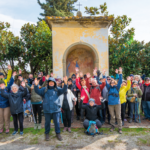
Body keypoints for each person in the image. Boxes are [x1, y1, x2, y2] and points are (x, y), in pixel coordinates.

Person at [34, 76, 68, 141]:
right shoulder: (44, 89)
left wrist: (65, 84)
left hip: (56, 110)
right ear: (48, 83)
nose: (51, 83)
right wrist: (36, 85)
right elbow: (37, 91)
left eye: (53, 82)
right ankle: (47, 133)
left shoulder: (57, 89)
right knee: (47, 123)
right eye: (50, 82)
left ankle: (58, 133)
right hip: (47, 110)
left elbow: (64, 90)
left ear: (54, 83)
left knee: (57, 123)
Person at [103, 67, 123, 134]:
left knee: (118, 116)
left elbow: (120, 80)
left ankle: (120, 128)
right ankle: (113, 126)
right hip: (110, 104)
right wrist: (103, 74)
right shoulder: (108, 88)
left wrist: (120, 73)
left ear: (115, 83)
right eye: (111, 83)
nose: (112, 84)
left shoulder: (117, 87)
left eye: (113, 83)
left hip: (117, 104)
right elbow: (105, 81)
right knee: (112, 116)